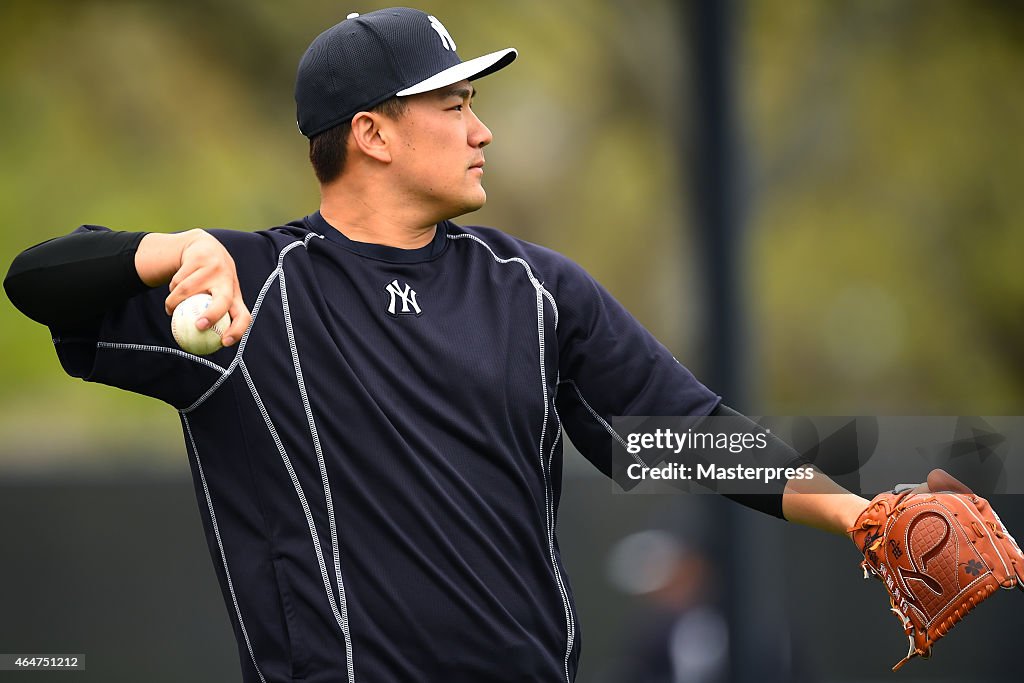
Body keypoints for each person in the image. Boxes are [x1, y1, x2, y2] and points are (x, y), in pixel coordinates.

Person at [3, 8, 968, 682]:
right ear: (374, 133)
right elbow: (35, 279)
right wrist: (170, 248)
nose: (484, 128)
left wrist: (859, 515)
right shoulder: (251, 286)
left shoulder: (536, 290)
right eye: (454, 105)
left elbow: (687, 429)